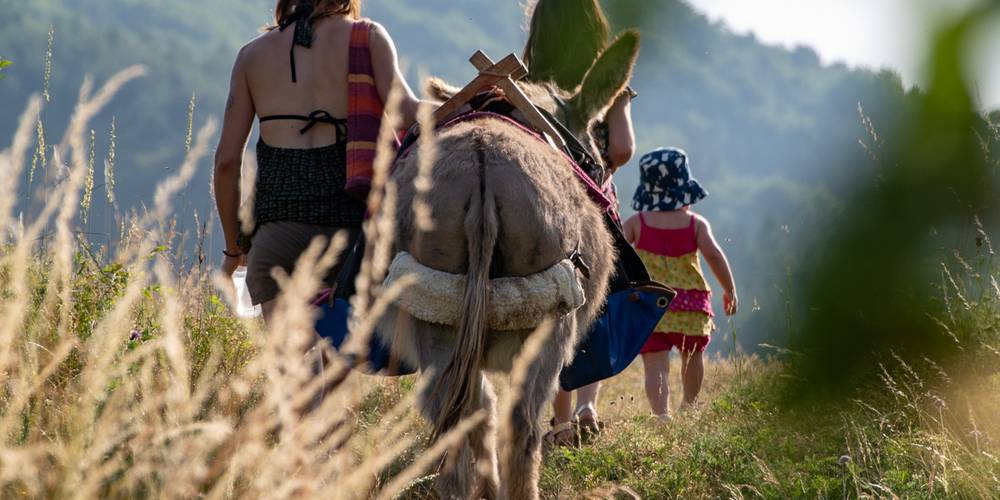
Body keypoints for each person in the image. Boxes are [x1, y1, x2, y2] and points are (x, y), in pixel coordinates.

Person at [214, 0, 426, 321]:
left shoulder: (251, 56)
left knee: (296, 367)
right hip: (350, 237)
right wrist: (472, 104)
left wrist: (233, 249)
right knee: (339, 356)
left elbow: (227, 163)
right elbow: (408, 115)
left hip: (276, 238)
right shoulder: (367, 38)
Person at [524, 0, 637, 446]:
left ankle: (560, 418)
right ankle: (589, 406)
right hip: (593, 203)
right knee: (597, 304)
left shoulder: (527, 81)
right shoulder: (611, 86)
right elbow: (624, 148)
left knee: (551, 309)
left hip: (541, 205)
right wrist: (599, 162)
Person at [623, 147, 738, 420]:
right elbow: (713, 255)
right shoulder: (695, 224)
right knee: (692, 356)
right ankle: (689, 404)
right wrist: (729, 289)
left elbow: (614, 248)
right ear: (684, 191)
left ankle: (661, 414)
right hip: (689, 305)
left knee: (655, 366)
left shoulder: (637, 222)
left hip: (650, 304)